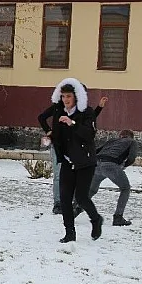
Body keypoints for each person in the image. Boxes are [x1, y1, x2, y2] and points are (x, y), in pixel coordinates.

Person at [48, 78, 103, 243]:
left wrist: (72, 123)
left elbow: (88, 134)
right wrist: (50, 136)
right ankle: (70, 233)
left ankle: (96, 219)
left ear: (76, 97)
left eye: (69, 97)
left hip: (85, 161)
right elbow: (58, 135)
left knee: (81, 197)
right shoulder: (60, 112)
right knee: (65, 198)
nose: (65, 100)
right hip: (67, 161)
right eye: (63, 96)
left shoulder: (86, 112)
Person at [39, 94, 107, 214]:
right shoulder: (57, 107)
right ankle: (58, 203)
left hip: (74, 146)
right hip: (59, 145)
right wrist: (49, 131)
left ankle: (71, 202)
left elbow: (88, 121)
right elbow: (41, 117)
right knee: (58, 175)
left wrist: (99, 107)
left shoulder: (79, 109)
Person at [88, 130, 138, 226]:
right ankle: (118, 217)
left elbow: (95, 151)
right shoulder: (132, 142)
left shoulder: (112, 140)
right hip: (111, 165)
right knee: (125, 188)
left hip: (97, 164)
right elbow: (132, 157)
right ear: (131, 136)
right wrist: (123, 166)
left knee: (92, 189)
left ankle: (77, 208)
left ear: (120, 135)